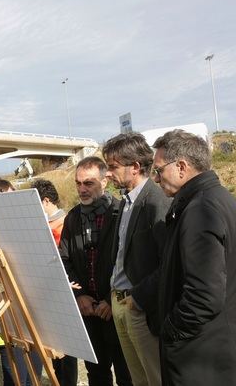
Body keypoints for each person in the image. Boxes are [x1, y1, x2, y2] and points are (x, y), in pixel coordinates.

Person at [152, 130, 236, 385]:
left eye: (159, 170)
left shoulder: (200, 210)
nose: (156, 178)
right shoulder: (220, 199)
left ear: (181, 167)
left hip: (214, 360)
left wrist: (171, 332)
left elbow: (203, 296)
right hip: (229, 353)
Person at [102, 132, 170, 386]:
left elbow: (168, 263)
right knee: (137, 380)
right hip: (120, 303)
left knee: (155, 379)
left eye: (113, 167)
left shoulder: (156, 201)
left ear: (135, 167)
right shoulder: (126, 202)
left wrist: (139, 299)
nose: (108, 174)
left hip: (140, 307)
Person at [60, 157, 132, 386]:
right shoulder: (72, 219)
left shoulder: (122, 213)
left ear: (105, 181)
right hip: (89, 313)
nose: (82, 189)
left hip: (118, 311)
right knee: (97, 375)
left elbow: (131, 262)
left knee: (126, 375)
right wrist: (79, 295)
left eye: (88, 183)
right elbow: (64, 260)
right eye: (78, 183)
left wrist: (113, 300)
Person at [0, 175, 44, 386]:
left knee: (34, 378)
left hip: (31, 316)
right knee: (17, 380)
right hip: (8, 322)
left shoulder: (22, 229)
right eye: (9, 197)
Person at [28, 179, 77, 386]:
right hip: (47, 295)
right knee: (54, 349)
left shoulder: (64, 224)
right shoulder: (44, 225)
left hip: (64, 295)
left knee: (66, 351)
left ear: (46, 201)